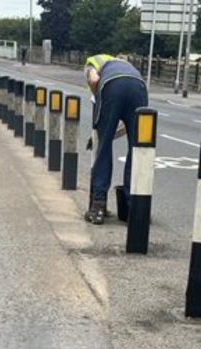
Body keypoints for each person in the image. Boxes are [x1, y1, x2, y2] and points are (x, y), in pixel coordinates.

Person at [83, 54, 148, 225]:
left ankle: (98, 206)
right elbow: (127, 126)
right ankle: (132, 207)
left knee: (103, 148)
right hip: (139, 87)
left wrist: (97, 99)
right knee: (138, 148)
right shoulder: (127, 66)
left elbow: (94, 80)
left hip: (111, 86)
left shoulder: (92, 62)